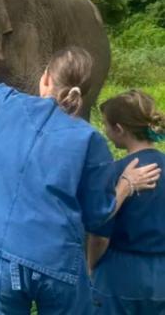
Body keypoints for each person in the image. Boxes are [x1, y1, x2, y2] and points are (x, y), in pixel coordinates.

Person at [0, 38, 161, 315]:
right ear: (85, 93)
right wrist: (126, 184)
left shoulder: (6, 105)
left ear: (45, 78)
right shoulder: (90, 140)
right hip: (55, 260)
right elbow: (97, 216)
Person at [87, 90, 165, 314]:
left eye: (106, 125)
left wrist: (91, 266)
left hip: (121, 273)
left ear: (119, 129)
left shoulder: (115, 173)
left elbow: (100, 236)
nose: (105, 130)